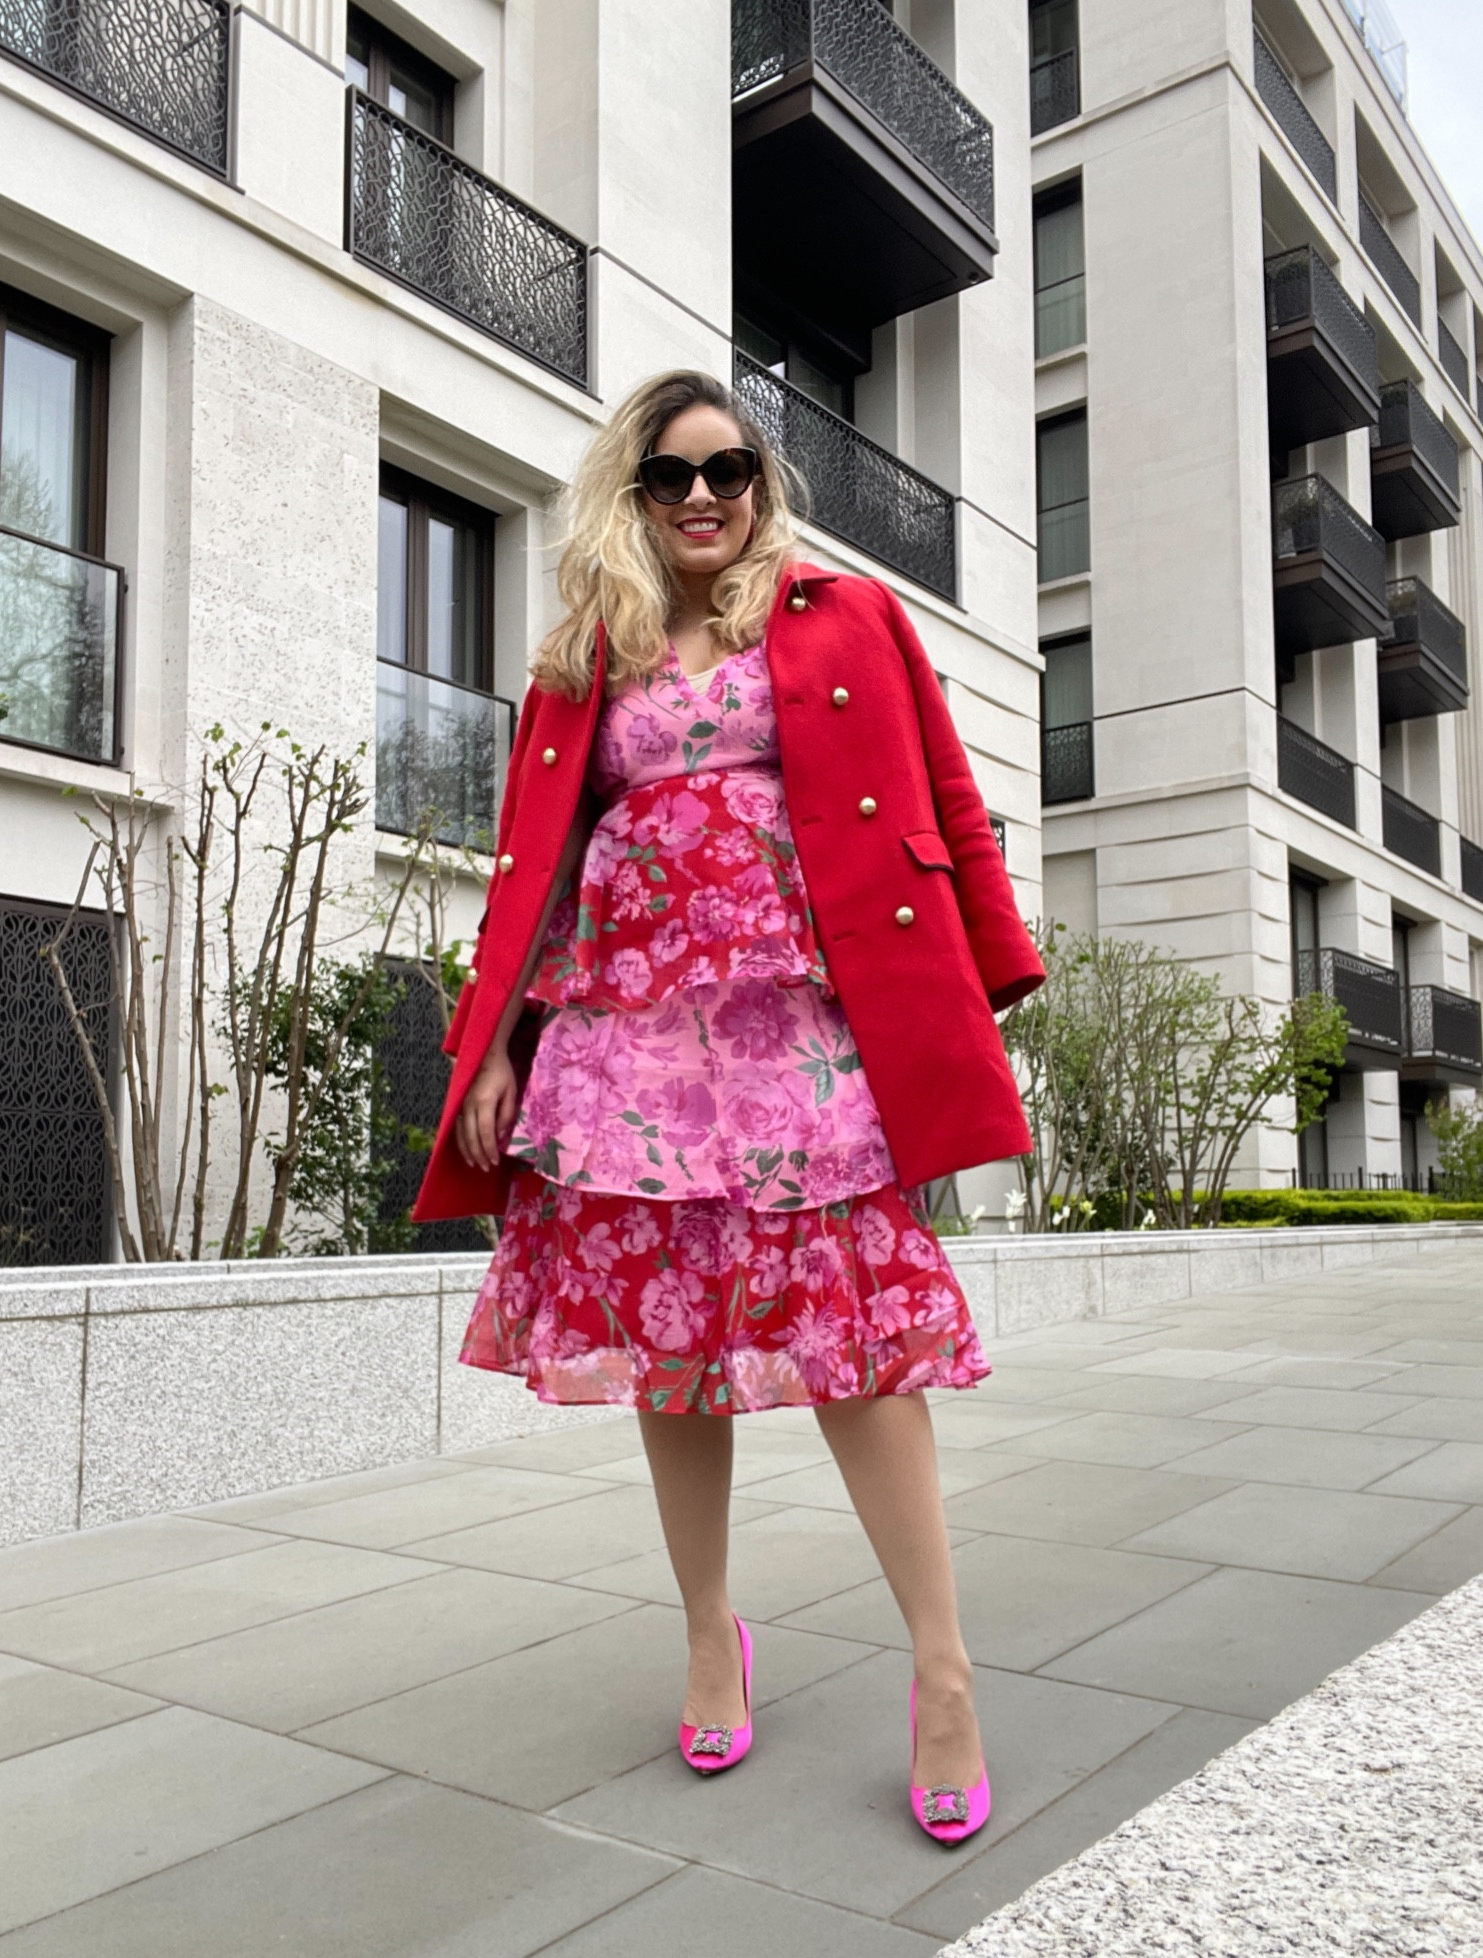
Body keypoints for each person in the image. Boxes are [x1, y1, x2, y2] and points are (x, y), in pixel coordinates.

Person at [414, 369, 1044, 1843]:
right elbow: (531, 866)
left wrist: (991, 971)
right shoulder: (585, 655)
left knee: (856, 1340)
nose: (703, 496)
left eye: (728, 469)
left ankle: (942, 1670)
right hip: (625, 1040)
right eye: (670, 475)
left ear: (761, 484)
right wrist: (493, 1046)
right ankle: (710, 1631)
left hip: (797, 1029)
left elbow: (948, 799)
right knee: (668, 1345)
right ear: (631, 497)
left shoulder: (844, 616)